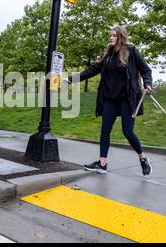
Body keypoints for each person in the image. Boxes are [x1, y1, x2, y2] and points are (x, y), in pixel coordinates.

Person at [64, 25, 154, 175]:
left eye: (114, 35)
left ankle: (143, 158)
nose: (110, 38)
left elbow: (146, 70)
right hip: (110, 99)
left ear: (121, 37)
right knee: (105, 130)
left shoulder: (131, 52)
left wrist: (148, 83)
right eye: (110, 35)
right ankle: (102, 163)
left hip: (127, 99)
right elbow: (91, 71)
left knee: (128, 132)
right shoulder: (107, 55)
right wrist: (70, 80)